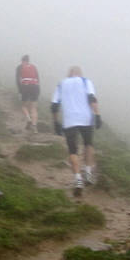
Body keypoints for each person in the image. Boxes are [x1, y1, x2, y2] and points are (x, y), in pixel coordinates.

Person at [51, 66, 102, 196]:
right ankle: (88, 172)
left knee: (72, 150)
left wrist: (56, 122)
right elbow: (91, 98)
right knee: (88, 145)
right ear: (80, 73)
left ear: (69, 73)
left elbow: (54, 105)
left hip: (69, 120)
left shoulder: (62, 84)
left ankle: (78, 179)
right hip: (86, 119)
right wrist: (97, 115)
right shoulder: (85, 81)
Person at [16, 55, 40, 134]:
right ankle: (34, 126)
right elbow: (38, 78)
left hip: (25, 87)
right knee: (34, 107)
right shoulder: (33, 67)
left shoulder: (19, 67)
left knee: (23, 106)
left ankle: (29, 119)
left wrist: (20, 90)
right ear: (28, 61)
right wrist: (38, 89)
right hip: (35, 87)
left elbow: (18, 80)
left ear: (22, 60)